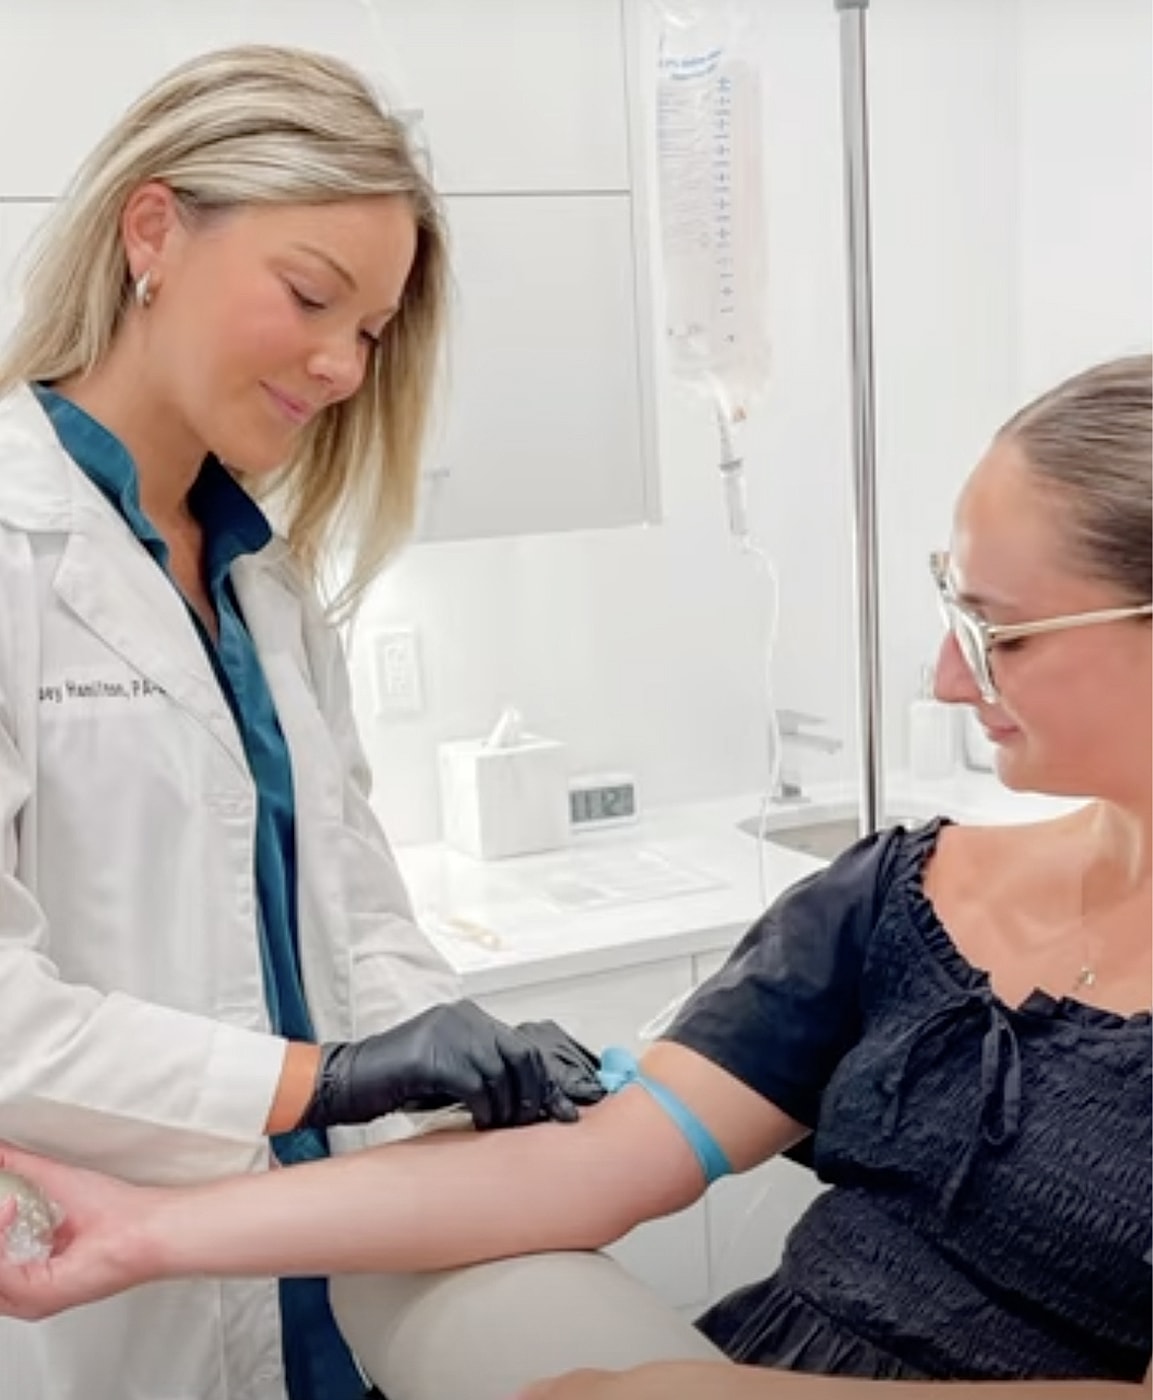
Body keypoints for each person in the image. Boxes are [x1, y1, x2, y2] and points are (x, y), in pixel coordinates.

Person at [0, 357, 1148, 1389]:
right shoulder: (899, 897)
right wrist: (144, 1229)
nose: (949, 678)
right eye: (951, 606)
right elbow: (591, 1163)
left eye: (1000, 632)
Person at [0, 43, 602, 1400]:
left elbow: (355, 915)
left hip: (328, 1283)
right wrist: (330, 1080)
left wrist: (460, 1050)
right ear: (152, 231)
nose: (341, 365)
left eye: (371, 332)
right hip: (90, 1313)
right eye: (310, 296)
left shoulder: (266, 585)